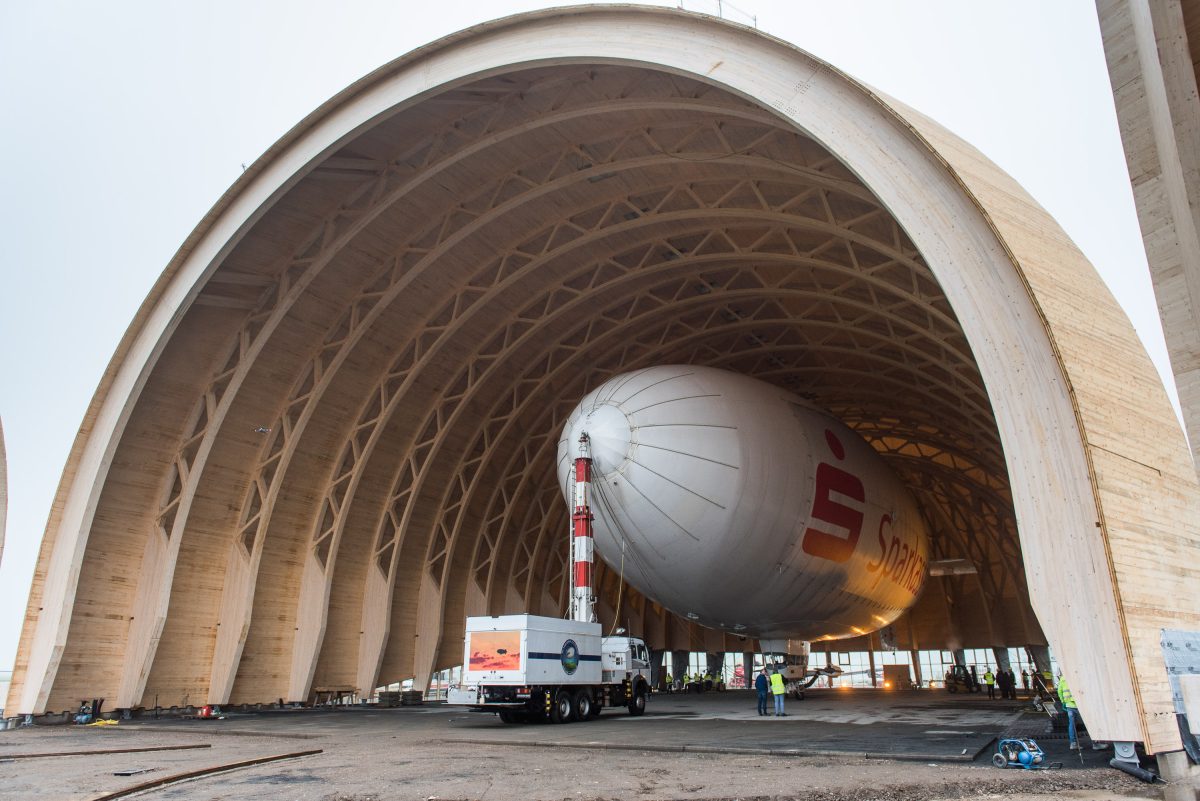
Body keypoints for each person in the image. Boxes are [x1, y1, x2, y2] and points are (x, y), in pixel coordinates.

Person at [1057, 672, 1079, 748]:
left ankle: (1073, 743)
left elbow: (1059, 691)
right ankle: (1096, 743)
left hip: (1069, 705)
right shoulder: (1075, 676)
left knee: (1072, 724)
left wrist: (1063, 702)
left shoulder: (1062, 679)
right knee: (1089, 723)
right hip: (1079, 704)